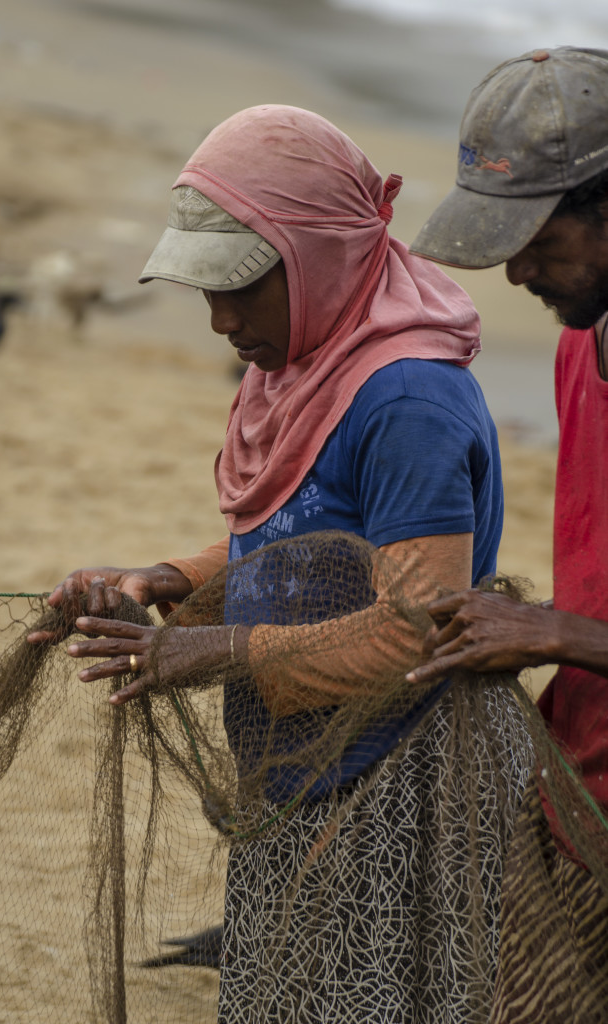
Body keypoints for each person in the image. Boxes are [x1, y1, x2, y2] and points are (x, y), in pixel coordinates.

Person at [28, 104, 534, 1023]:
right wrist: (171, 579)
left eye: (242, 286)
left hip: (393, 788)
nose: (220, 319)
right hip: (304, 773)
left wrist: (215, 651)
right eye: (205, 290)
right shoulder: (300, 362)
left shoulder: (405, 398)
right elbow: (306, 535)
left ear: (321, 257)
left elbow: (422, 627)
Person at [406, 46, 608, 815]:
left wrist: (558, 634)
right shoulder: (576, 346)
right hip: (580, 785)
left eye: (536, 243)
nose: (515, 276)